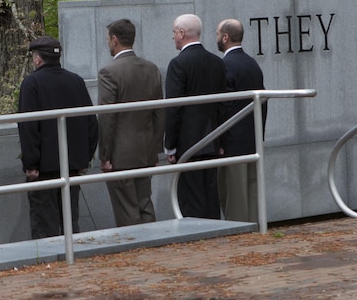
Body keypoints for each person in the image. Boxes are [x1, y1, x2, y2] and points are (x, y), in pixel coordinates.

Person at [17, 36, 99, 239]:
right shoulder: (76, 81)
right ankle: (72, 261)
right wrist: (84, 159)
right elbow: (91, 122)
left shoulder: (31, 83)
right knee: (70, 221)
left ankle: (50, 264)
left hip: (43, 168)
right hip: (71, 165)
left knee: (45, 224)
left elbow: (28, 127)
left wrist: (31, 164)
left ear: (37, 59)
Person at [97, 19, 163, 227]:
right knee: (145, 204)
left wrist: (105, 155)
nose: (108, 43)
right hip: (145, 150)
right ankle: (152, 247)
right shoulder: (151, 69)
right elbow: (159, 114)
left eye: (108, 39)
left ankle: (135, 254)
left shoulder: (109, 72)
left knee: (127, 210)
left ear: (115, 40)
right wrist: (155, 149)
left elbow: (107, 116)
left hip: (120, 155)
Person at [164, 14, 227, 219]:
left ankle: (197, 239)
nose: (173, 37)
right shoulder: (217, 62)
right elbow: (223, 105)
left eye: (174, 32)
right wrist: (220, 140)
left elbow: (174, 107)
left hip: (188, 143)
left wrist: (170, 145)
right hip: (212, 140)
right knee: (211, 195)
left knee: (191, 200)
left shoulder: (178, 64)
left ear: (182, 33)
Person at [216, 18, 267, 223]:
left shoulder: (226, 65)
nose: (217, 38)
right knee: (252, 193)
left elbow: (224, 107)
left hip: (233, 143)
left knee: (234, 197)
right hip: (252, 139)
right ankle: (256, 234)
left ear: (225, 37)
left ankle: (240, 239)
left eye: (218, 34)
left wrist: (220, 141)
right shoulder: (252, 64)